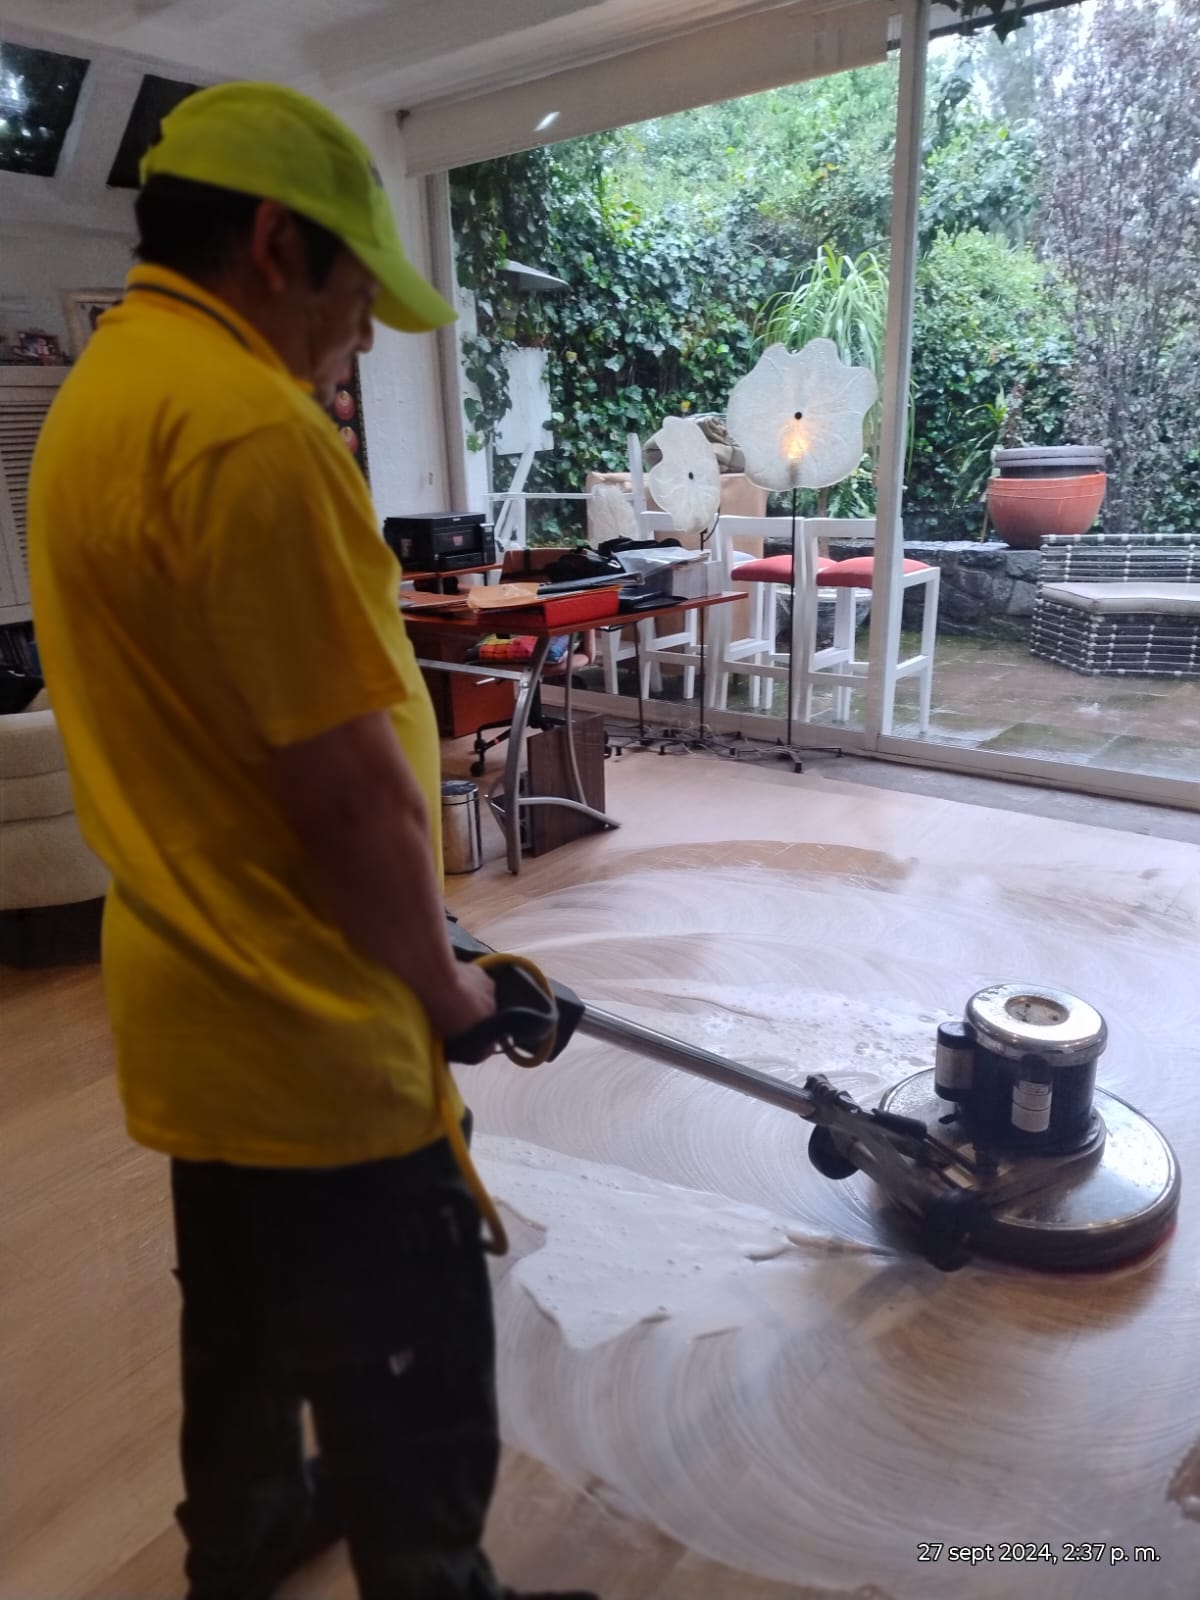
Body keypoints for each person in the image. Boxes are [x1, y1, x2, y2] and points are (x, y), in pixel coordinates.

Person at [29, 82, 597, 1600]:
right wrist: (447, 987)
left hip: (189, 1001)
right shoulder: (251, 432)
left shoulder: (106, 393)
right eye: (357, 295)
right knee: (412, 1383)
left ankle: (246, 1539)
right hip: (314, 1030)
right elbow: (349, 799)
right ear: (277, 245)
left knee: (240, 1318)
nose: (362, 338)